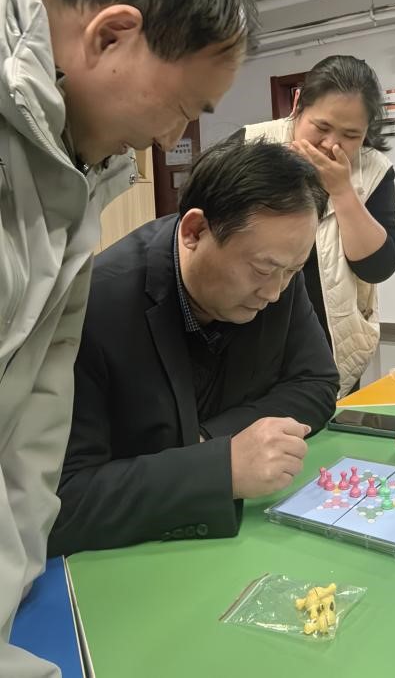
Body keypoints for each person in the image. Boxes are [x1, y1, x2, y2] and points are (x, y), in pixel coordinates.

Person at [1, 0, 257, 676]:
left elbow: (32, 427)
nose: (171, 139)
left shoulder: (77, 166)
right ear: (110, 34)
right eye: (182, 107)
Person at [48, 140, 339, 556]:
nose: (275, 293)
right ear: (195, 232)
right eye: (263, 270)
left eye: (292, 272)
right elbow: (62, 502)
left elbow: (317, 383)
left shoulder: (277, 272)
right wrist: (220, 468)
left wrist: (210, 439)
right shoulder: (93, 307)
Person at [235, 55, 395, 396]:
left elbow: (378, 266)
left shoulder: (374, 169)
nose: (332, 144)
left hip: (332, 342)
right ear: (298, 105)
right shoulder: (250, 145)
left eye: (351, 135)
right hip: (249, 331)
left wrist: (342, 190)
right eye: (321, 128)